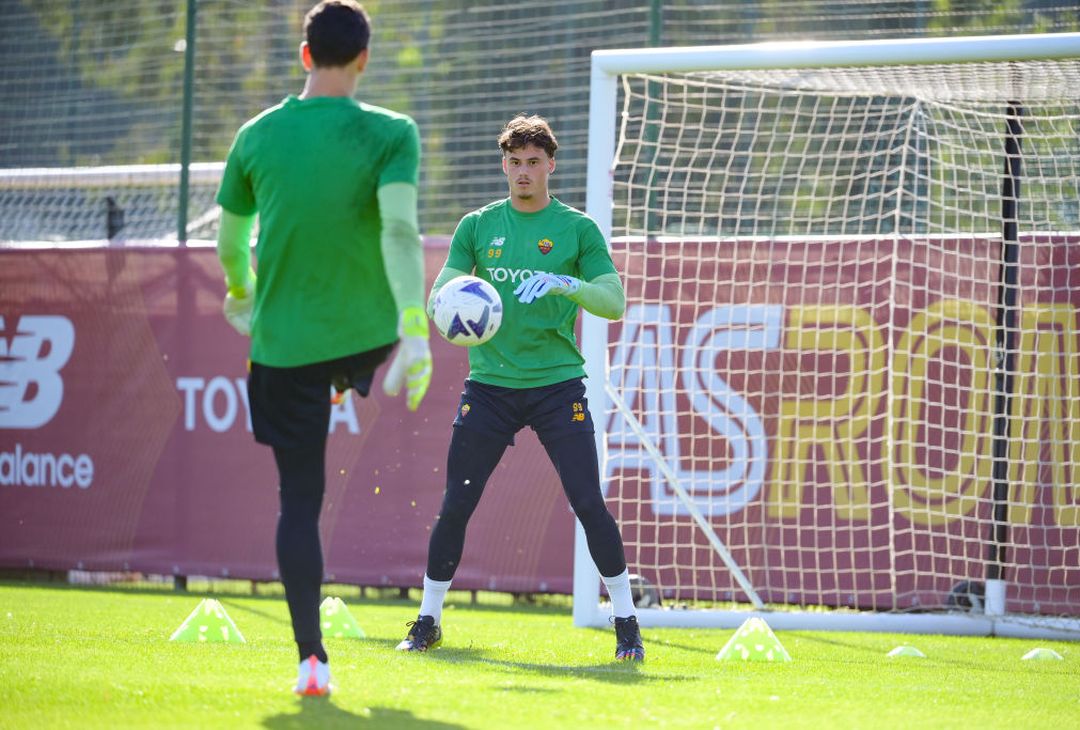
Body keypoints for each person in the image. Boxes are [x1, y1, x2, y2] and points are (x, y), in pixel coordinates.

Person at [214, 0, 432, 696]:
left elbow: (229, 242)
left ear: (305, 55)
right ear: (364, 59)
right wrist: (415, 329)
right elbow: (399, 233)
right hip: (370, 337)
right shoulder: (392, 133)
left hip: (282, 346)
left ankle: (312, 661)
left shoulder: (255, 136)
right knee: (345, 370)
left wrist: (241, 290)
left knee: (299, 501)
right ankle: (352, 377)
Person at [396, 114, 644, 662]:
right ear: (504, 165)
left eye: (534, 162)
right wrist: (450, 304)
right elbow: (442, 293)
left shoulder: (577, 229)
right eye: (514, 162)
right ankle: (428, 621)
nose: (523, 171)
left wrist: (568, 283)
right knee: (456, 504)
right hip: (489, 388)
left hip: (558, 387)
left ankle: (627, 623)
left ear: (551, 164)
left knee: (588, 503)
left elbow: (613, 301)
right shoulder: (477, 226)